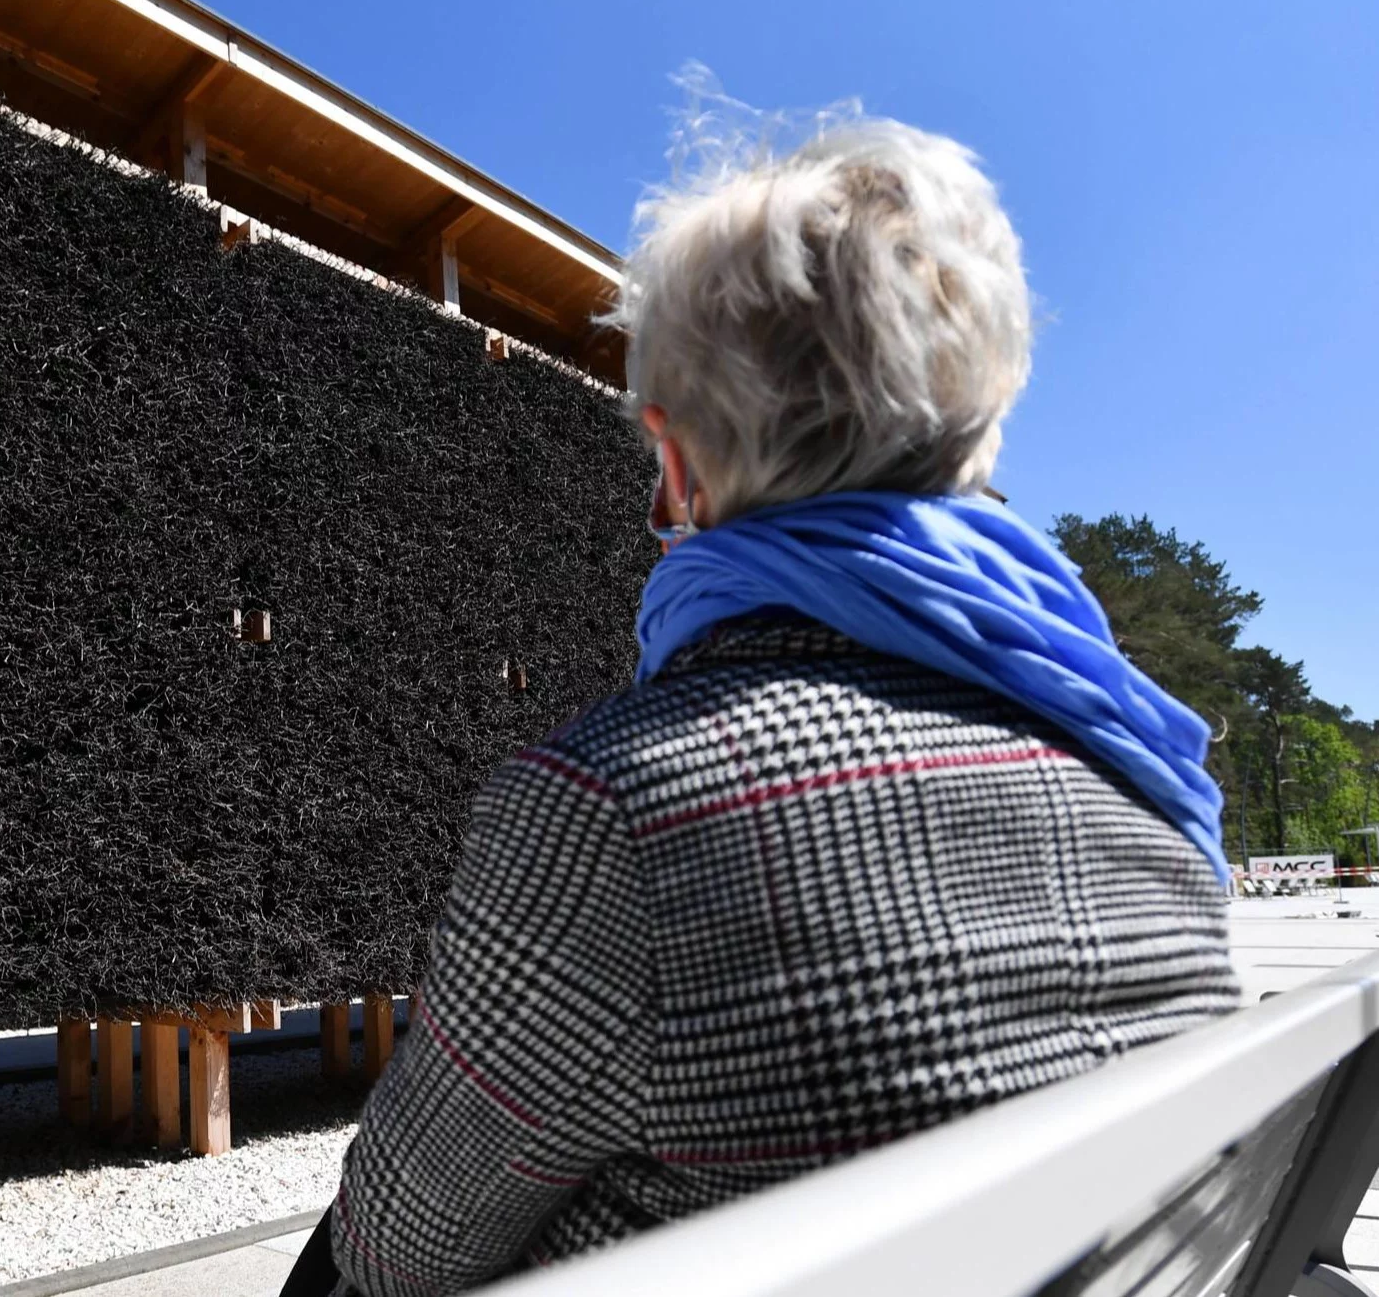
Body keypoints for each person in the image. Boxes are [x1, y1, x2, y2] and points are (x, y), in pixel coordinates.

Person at [283, 113, 1240, 1297]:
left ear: (677, 465)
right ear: (980, 434)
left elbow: (399, 1249)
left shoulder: (619, 809)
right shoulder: (1148, 787)